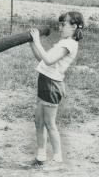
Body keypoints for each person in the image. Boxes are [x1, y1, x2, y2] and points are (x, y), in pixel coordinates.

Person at [29, 11, 84, 167]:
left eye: (63, 24)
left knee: (49, 123)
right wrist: (32, 43)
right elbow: (42, 59)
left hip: (52, 86)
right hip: (45, 82)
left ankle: (57, 159)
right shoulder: (63, 42)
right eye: (60, 24)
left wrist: (37, 40)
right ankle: (40, 156)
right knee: (38, 121)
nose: (60, 27)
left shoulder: (69, 44)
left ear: (73, 26)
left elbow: (48, 60)